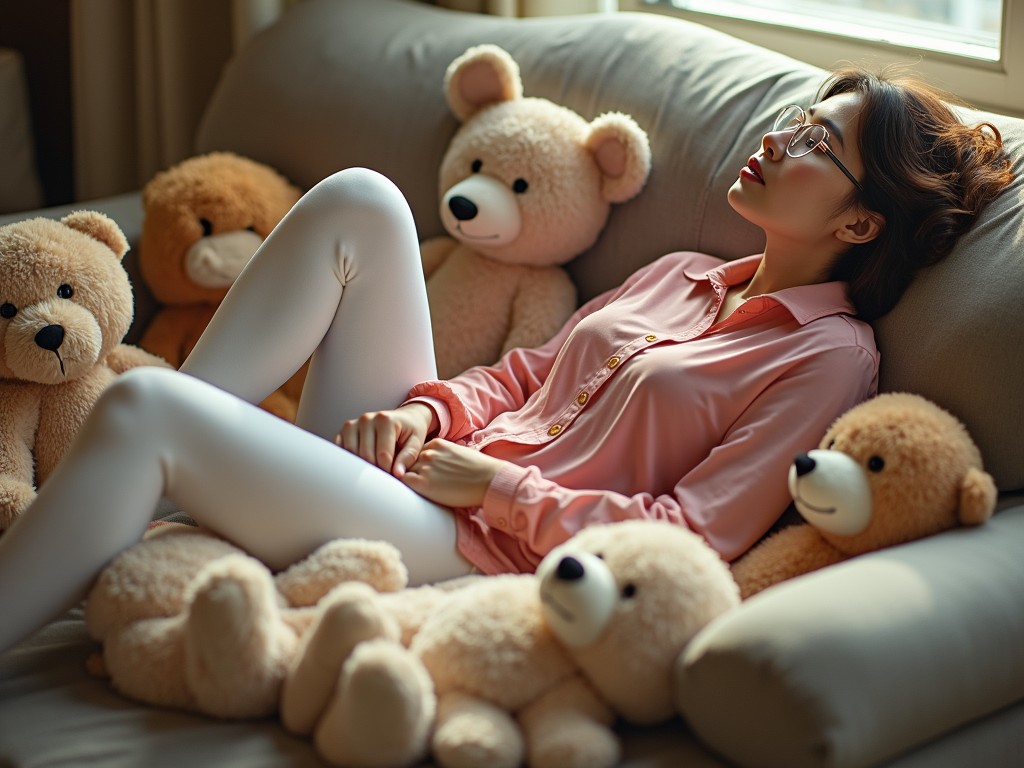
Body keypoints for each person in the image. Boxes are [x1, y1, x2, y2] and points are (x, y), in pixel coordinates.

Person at [0, 67, 1013, 654]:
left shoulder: (828, 360)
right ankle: (172, 494)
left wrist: (501, 486)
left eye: (815, 143)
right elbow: (526, 375)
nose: (777, 138)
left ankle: (148, 481)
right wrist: (430, 415)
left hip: (490, 548)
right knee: (360, 200)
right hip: (426, 468)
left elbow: (694, 538)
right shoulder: (685, 271)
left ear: (864, 216)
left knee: (144, 415)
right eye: (793, 119)